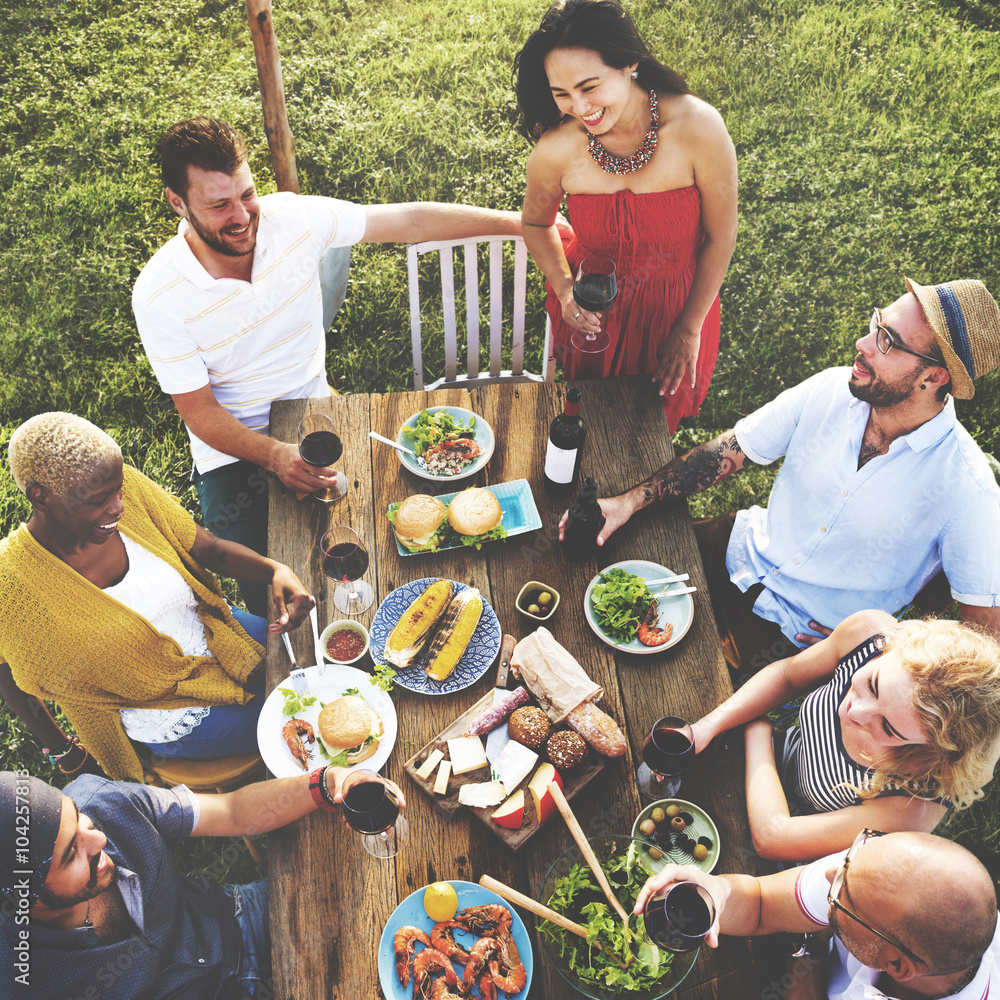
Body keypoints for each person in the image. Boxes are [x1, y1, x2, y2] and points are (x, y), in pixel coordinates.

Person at [133, 116, 533, 614]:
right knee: (283, 600)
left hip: (315, 412)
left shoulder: (293, 219)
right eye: (219, 206)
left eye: (247, 195)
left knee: (381, 547)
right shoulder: (158, 294)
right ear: (178, 202)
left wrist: (525, 225)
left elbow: (409, 221)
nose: (242, 217)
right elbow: (200, 413)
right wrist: (274, 456)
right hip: (233, 457)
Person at [563, 277, 1000, 679]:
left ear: (934, 376)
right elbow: (730, 453)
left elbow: (983, 641)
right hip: (737, 550)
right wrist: (629, 502)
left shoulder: (968, 491)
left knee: (649, 685)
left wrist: (889, 643)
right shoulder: (832, 389)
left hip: (793, 638)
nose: (863, 342)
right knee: (586, 577)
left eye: (886, 341)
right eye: (876, 324)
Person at [0, 412, 314, 781]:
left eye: (117, 490)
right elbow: (5, 670)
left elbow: (207, 548)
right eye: (100, 499)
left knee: (330, 670)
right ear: (41, 496)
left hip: (216, 631)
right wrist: (60, 748)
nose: (118, 505)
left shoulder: (123, 489)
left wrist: (274, 570)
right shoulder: (12, 583)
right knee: (311, 720)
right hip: (165, 707)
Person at [513, 0, 738, 432]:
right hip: (595, 308)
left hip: (675, 308)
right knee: (594, 420)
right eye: (561, 93)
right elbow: (536, 224)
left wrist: (689, 329)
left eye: (589, 86)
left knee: (653, 429)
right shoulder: (555, 151)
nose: (579, 107)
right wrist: (564, 290)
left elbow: (720, 238)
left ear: (629, 62)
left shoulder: (699, 128)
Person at [0, 764, 392, 998]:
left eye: (78, 817)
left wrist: (327, 783)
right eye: (71, 853)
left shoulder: (104, 802)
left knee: (385, 911)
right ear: (24, 902)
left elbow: (232, 811)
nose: (98, 838)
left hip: (240, 919)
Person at [686, 610, 1000, 861]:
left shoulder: (915, 802)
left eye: (888, 727)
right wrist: (708, 726)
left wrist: (758, 730)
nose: (855, 712)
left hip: (768, 842)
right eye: (873, 684)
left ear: (930, 751)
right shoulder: (869, 636)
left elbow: (773, 838)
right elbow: (787, 677)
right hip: (756, 758)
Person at [634, 829, 998, 1000]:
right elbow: (761, 904)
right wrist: (716, 892)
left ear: (898, 966)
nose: (828, 874)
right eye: (857, 853)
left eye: (845, 896)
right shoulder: (870, 873)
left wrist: (807, 960)